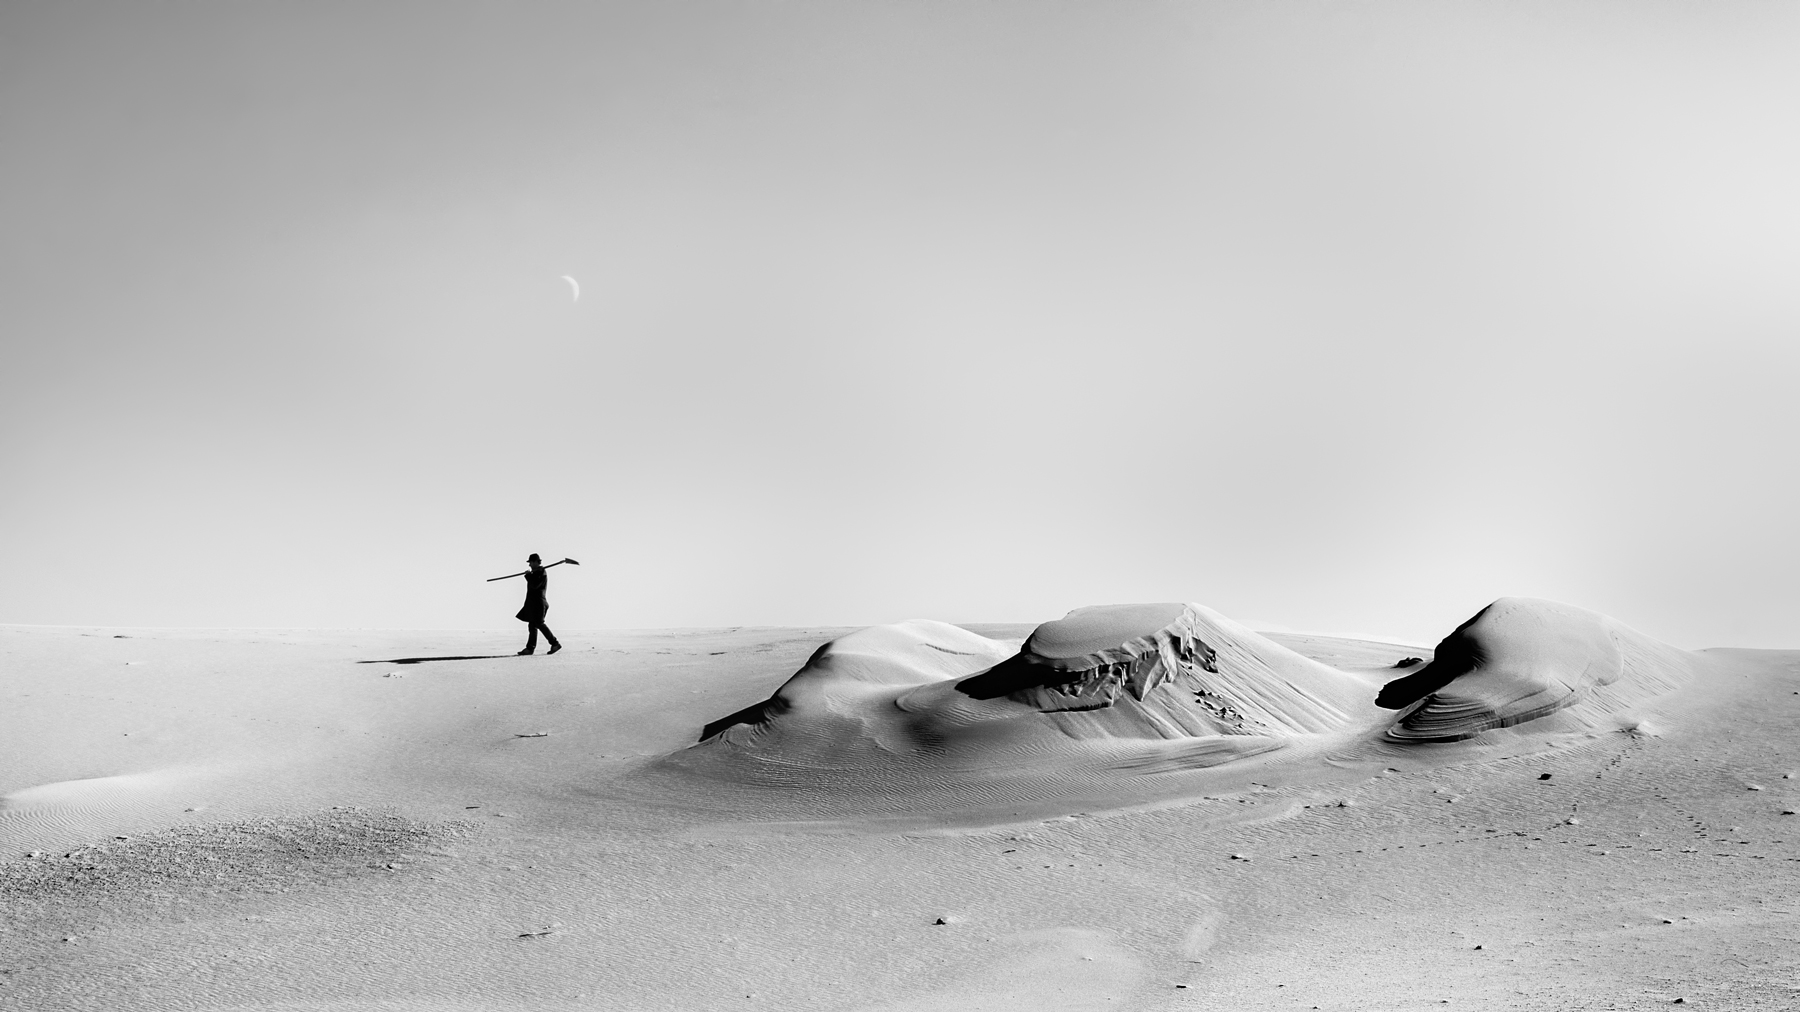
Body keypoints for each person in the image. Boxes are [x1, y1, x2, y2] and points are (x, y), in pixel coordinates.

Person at [515, 553, 561, 655]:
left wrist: (528, 576)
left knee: (539, 623)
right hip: (534, 604)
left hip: (539, 603)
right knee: (532, 625)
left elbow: (535, 585)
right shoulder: (536, 573)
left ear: (536, 562)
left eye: (531, 562)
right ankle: (530, 648)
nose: (530, 565)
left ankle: (555, 643)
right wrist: (530, 575)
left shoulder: (541, 573)